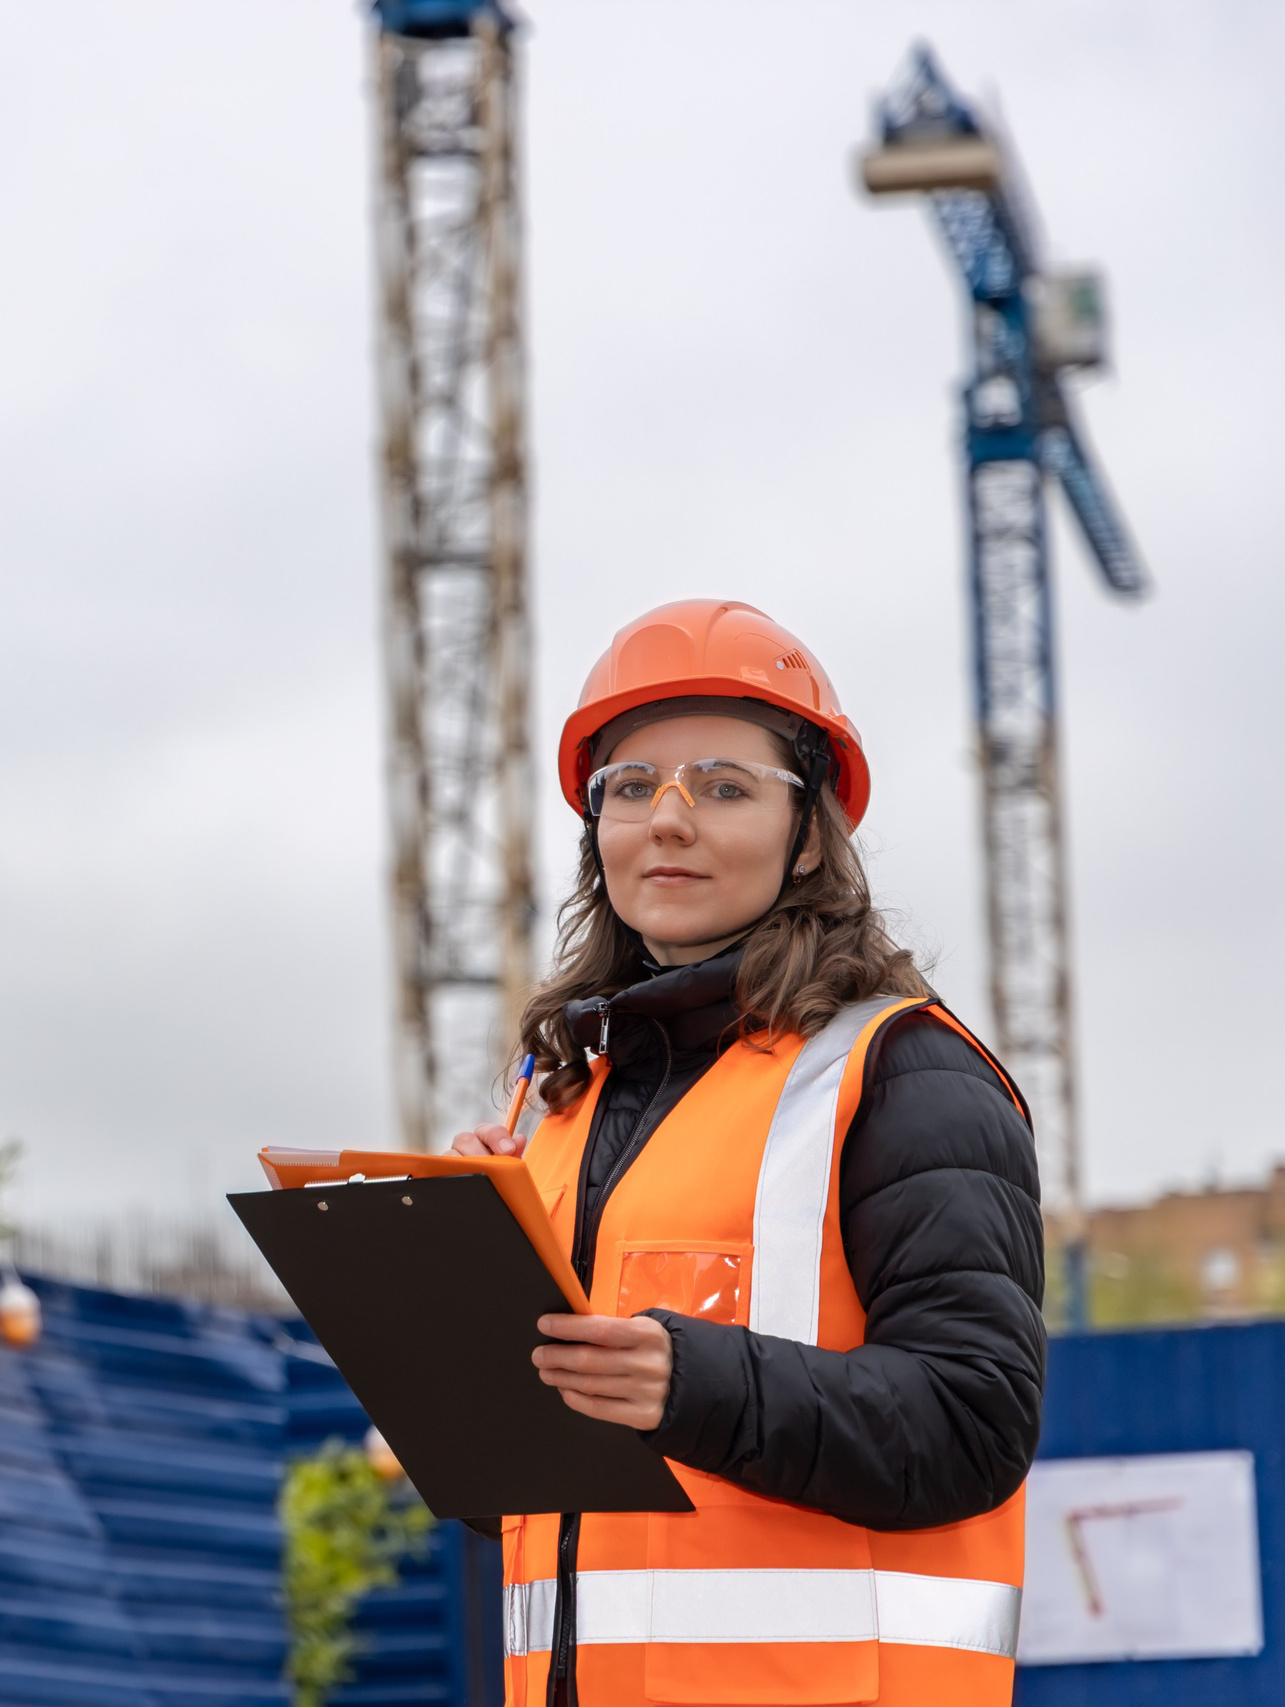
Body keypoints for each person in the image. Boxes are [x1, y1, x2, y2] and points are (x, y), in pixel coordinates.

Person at [451, 600, 1043, 1707]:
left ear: (808, 833)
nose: (667, 821)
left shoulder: (903, 1073)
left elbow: (973, 1422)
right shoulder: (564, 1109)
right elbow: (519, 1503)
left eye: (723, 786)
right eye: (631, 786)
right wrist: (457, 1306)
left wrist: (688, 1381)